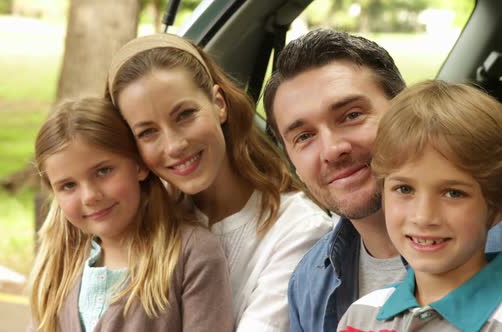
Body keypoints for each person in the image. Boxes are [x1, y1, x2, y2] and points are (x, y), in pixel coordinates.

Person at [262, 28, 502, 332]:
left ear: (404, 112)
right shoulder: (309, 283)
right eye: (304, 136)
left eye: (351, 115)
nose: (333, 150)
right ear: (292, 162)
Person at [105, 33, 334, 331]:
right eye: (148, 132)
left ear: (219, 103)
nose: (174, 145)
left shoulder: (300, 230)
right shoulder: (142, 221)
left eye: (185, 115)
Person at [27, 97, 233, 332]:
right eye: (68, 186)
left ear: (139, 165)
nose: (89, 196)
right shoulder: (59, 262)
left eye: (103, 171)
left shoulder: (191, 253)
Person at [338, 80, 502, 331]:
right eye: (404, 189)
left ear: (496, 205)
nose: (424, 216)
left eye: (453, 193)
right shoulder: (361, 316)